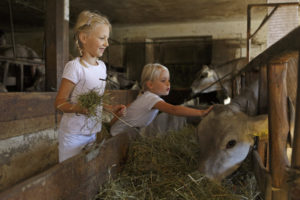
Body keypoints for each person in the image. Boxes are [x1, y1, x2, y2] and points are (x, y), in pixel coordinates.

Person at [55, 10, 126, 162]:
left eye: (107, 39)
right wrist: (80, 109)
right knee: (70, 175)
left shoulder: (102, 67)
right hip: (73, 135)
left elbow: (96, 101)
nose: (106, 43)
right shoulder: (75, 67)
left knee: (85, 175)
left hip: (92, 132)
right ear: (84, 37)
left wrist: (110, 109)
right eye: (102, 38)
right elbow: (60, 103)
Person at [110, 63, 213, 136]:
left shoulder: (144, 95)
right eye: (163, 81)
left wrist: (110, 124)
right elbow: (174, 110)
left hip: (120, 133)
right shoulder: (150, 98)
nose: (168, 84)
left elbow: (126, 109)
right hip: (120, 135)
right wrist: (201, 112)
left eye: (168, 80)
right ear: (150, 85)